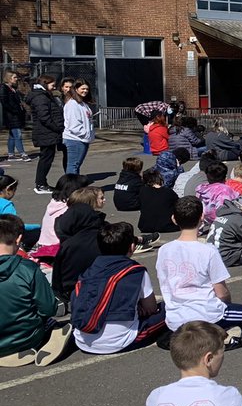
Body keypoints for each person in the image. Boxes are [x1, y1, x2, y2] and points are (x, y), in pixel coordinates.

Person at [156, 197, 242, 335]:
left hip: (175, 317)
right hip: (207, 314)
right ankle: (225, 337)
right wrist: (226, 305)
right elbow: (222, 293)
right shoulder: (208, 250)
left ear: (174, 219)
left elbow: (164, 281)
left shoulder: (164, 250)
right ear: (202, 217)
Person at [70, 222, 166, 354]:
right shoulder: (135, 272)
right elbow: (151, 308)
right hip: (119, 342)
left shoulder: (89, 272)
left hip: (82, 339)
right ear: (132, 247)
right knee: (168, 309)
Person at [0, 214, 73, 367]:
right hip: (25, 337)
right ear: (19, 239)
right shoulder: (27, 269)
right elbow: (49, 308)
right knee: (51, 320)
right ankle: (51, 335)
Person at [29, 74, 64, 193]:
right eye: (52, 85)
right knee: (45, 159)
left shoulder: (44, 96)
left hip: (48, 133)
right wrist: (56, 128)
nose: (54, 87)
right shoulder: (40, 97)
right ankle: (40, 184)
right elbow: (44, 117)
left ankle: (42, 183)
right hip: (46, 132)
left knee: (47, 158)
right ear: (45, 84)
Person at [61, 79, 95, 175]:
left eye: (87, 89)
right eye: (82, 89)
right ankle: (71, 184)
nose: (85, 91)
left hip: (82, 139)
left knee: (76, 165)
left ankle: (75, 182)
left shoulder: (82, 103)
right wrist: (85, 134)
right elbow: (73, 125)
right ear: (76, 89)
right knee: (73, 165)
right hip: (75, 139)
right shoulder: (72, 104)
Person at [138, 171, 179, 236]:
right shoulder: (168, 192)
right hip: (167, 226)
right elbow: (179, 204)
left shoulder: (143, 191)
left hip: (145, 226)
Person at [1, 70, 30, 163]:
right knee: (17, 134)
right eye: (14, 77)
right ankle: (22, 153)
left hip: (16, 115)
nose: (16, 79)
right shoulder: (4, 88)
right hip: (11, 116)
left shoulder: (13, 88)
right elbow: (4, 102)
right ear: (9, 78)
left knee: (12, 135)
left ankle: (11, 154)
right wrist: (14, 110)